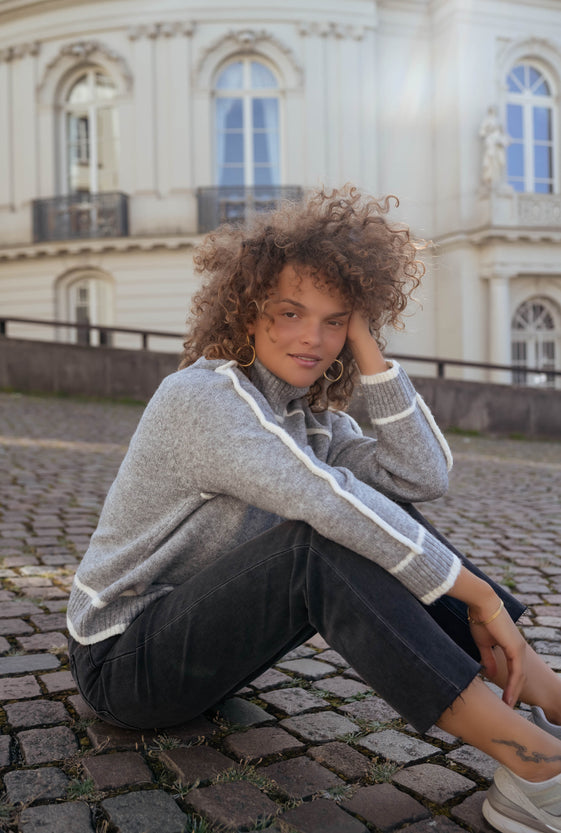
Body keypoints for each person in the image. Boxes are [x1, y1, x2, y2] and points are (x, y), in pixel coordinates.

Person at [68, 186, 561, 833]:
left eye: (335, 320)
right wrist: (479, 595)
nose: (312, 337)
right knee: (322, 541)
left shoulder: (311, 420)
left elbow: (420, 476)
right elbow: (326, 502)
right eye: (290, 312)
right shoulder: (201, 397)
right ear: (247, 310)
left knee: (378, 514)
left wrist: (368, 346)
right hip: (121, 661)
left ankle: (552, 698)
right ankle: (539, 769)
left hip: (200, 651)